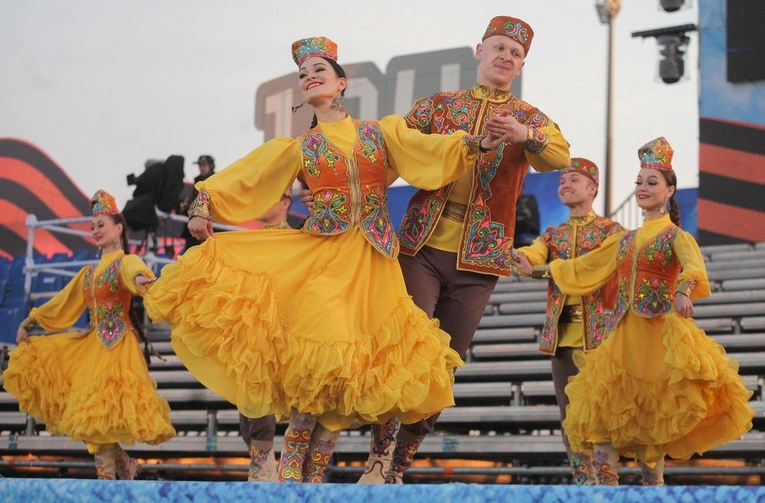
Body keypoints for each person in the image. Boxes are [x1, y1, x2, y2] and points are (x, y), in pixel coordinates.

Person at [145, 36, 504, 484]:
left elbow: (427, 152)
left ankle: (330, 476)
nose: (309, 76)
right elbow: (247, 174)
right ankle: (292, 475)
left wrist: (475, 143)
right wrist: (204, 203)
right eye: (302, 73)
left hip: (374, 260)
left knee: (368, 363)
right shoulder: (299, 148)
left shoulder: (381, 132)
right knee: (317, 359)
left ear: (341, 83)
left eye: (319, 69)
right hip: (323, 258)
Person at [352, 15, 570, 484]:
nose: (505, 57)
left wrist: (525, 136)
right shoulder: (438, 106)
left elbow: (561, 156)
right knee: (406, 351)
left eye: (515, 53)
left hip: (480, 258)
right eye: (498, 48)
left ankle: (400, 464)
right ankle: (377, 457)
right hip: (420, 245)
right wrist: (348, 194)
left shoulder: (527, 117)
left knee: (445, 365)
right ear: (479, 51)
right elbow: (391, 151)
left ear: (522, 64)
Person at [512, 138, 754, 486]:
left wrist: (683, 292)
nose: (642, 188)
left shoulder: (672, 236)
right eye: (639, 182)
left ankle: (652, 489)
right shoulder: (623, 240)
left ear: (670, 190)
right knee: (604, 412)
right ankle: (600, 493)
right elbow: (583, 267)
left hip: (656, 333)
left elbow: (693, 269)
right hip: (621, 336)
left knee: (651, 415)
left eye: (651, 183)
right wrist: (534, 269)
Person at [3, 190, 175, 479]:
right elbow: (63, 301)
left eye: (101, 225)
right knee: (90, 417)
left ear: (118, 228)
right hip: (92, 345)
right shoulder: (88, 274)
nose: (95, 231)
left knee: (97, 416)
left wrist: (142, 280)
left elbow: (133, 271)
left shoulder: (123, 263)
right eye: (92, 226)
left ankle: (106, 483)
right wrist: (30, 321)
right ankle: (124, 465)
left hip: (116, 347)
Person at [513, 158, 625, 485]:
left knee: (600, 414)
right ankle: (582, 483)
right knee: (569, 418)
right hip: (561, 339)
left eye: (573, 180)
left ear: (593, 188)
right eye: (562, 180)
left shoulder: (612, 232)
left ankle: (607, 483)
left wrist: (542, 269)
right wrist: (525, 258)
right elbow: (536, 251)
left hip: (600, 337)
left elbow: (594, 268)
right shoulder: (554, 234)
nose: (565, 184)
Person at [238, 187, 293, 482]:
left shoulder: (296, 240)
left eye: (268, 194)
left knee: (261, 400)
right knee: (246, 410)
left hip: (280, 330)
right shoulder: (249, 240)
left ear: (285, 202)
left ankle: (265, 467)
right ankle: (263, 463)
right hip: (251, 328)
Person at [180, 155, 216, 252]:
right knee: (191, 252)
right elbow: (195, 200)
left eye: (204, 165)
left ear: (211, 166)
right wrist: (187, 205)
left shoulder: (214, 181)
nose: (201, 168)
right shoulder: (197, 181)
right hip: (194, 227)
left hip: (210, 226)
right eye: (200, 165)